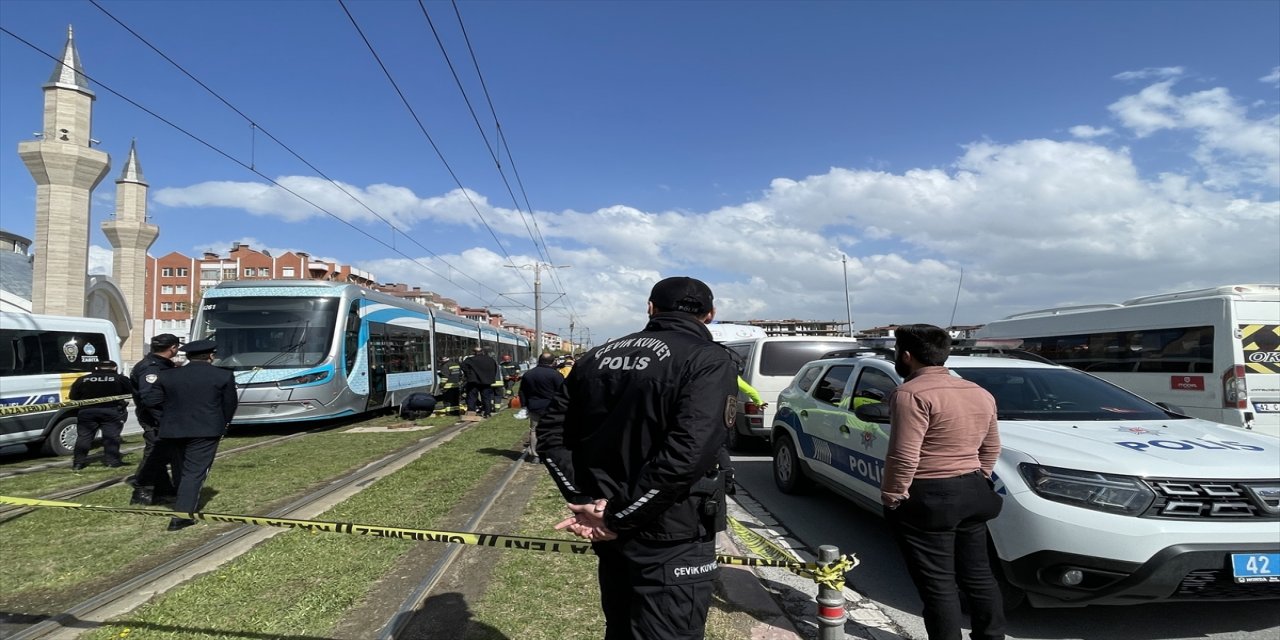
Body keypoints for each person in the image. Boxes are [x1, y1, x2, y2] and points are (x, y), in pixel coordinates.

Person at [537, 276, 737, 640]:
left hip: (611, 524)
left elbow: (550, 436)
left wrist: (586, 501)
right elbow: (688, 455)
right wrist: (617, 516)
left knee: (621, 625)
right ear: (710, 315)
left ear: (651, 308)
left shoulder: (595, 357)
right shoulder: (708, 359)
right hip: (670, 531)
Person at [881, 324, 1005, 640]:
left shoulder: (910, 394)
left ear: (906, 356)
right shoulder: (979, 392)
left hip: (930, 495)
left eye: (897, 352)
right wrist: (981, 476)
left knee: (939, 586)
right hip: (974, 490)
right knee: (979, 577)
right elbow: (991, 446)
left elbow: (904, 455)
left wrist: (893, 495)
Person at [141, 339, 238, 531]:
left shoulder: (168, 376)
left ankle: (183, 498)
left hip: (173, 429)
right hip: (206, 430)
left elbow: (151, 400)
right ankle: (182, 516)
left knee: (181, 468)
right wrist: (222, 424)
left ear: (189, 356)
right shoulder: (223, 376)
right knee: (194, 472)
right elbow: (230, 405)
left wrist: (168, 416)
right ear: (211, 356)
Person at [128, 333, 180, 504]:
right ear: (173, 348)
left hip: (162, 418)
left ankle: (164, 491)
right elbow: (151, 399)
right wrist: (163, 419)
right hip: (155, 419)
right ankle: (142, 487)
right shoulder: (151, 367)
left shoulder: (162, 365)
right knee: (154, 454)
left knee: (163, 453)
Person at [67, 359, 133, 470]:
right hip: (111, 411)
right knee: (111, 437)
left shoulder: (83, 379)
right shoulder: (120, 379)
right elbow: (130, 392)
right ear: (115, 368)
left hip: (87, 412)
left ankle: (78, 463)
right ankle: (112, 462)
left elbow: (73, 396)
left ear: (97, 368)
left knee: (84, 437)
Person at [516, 352, 564, 464]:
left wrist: (524, 406)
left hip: (534, 407)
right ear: (553, 362)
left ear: (539, 360)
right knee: (552, 430)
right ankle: (549, 454)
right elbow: (562, 392)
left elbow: (522, 391)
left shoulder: (529, 374)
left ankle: (536, 455)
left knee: (534, 430)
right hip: (552, 408)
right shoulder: (556, 375)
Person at [461, 346, 499, 418]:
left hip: (473, 382)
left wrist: (469, 374)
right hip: (486, 382)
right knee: (486, 397)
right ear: (482, 352)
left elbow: (463, 367)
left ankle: (471, 413)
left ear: (474, 352)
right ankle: (487, 412)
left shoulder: (470, 360)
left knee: (472, 397)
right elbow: (495, 369)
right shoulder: (490, 360)